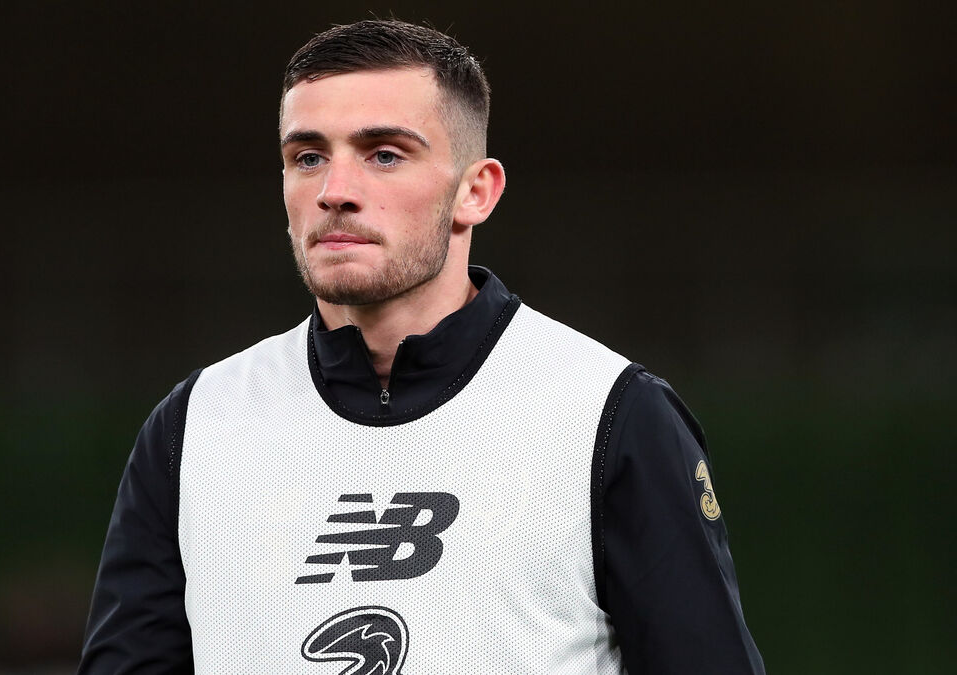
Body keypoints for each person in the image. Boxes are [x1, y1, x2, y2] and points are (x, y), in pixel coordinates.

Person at [78, 19, 764, 675]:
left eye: (384, 154)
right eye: (308, 157)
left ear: (475, 192)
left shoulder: (609, 414)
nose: (335, 192)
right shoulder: (196, 425)